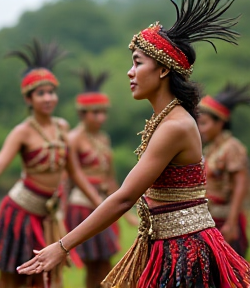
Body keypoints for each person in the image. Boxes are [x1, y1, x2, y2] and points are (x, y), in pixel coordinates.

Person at [17, 0, 250, 287]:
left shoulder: (174, 126)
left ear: (163, 70)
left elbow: (125, 197)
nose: (130, 72)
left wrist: (62, 246)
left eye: (138, 63)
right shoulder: (167, 120)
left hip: (184, 250)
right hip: (169, 245)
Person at [0, 39, 102, 288]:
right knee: (12, 278)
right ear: (28, 99)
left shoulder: (62, 127)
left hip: (48, 215)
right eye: (41, 93)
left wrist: (101, 205)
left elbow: (75, 172)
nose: (48, 98)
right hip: (20, 212)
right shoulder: (23, 132)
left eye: (51, 92)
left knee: (48, 277)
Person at [66, 67, 138, 288]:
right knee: (93, 265)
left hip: (104, 203)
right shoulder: (73, 138)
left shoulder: (104, 138)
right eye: (95, 112)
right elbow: (75, 175)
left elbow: (110, 178)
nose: (101, 117)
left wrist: (127, 214)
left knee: (106, 264)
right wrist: (100, 204)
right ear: (82, 113)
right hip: (83, 205)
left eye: (103, 112)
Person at [198, 83, 250, 257]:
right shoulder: (210, 149)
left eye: (204, 123)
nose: (200, 129)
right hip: (211, 219)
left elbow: (241, 185)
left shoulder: (232, 147)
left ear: (220, 122)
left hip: (226, 219)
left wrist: (232, 222)